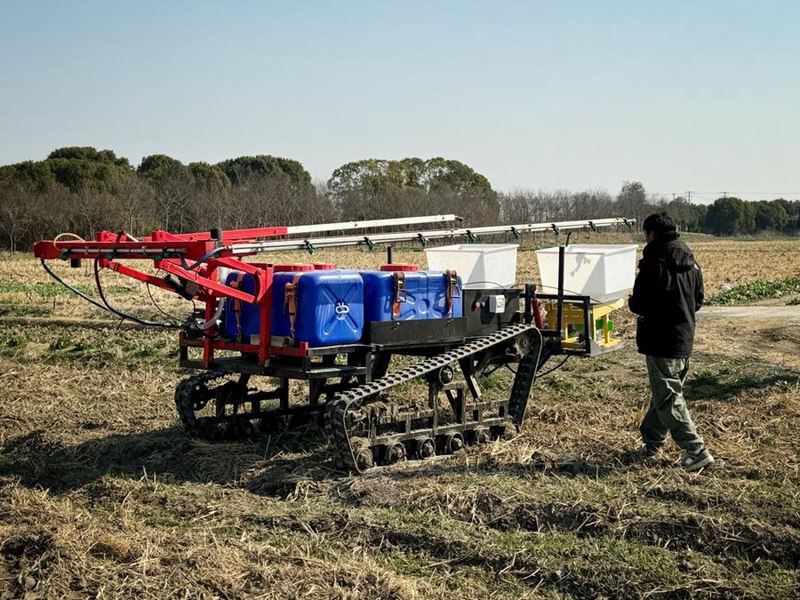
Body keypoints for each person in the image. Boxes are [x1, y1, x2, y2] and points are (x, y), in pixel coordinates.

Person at [628, 212, 714, 471]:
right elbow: (698, 300)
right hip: (684, 338)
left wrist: (633, 302)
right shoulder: (691, 261)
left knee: (667, 398)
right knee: (667, 394)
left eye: (646, 234)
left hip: (660, 340)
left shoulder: (653, 262)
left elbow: (639, 303)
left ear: (652, 234)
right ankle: (653, 440)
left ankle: (695, 450)